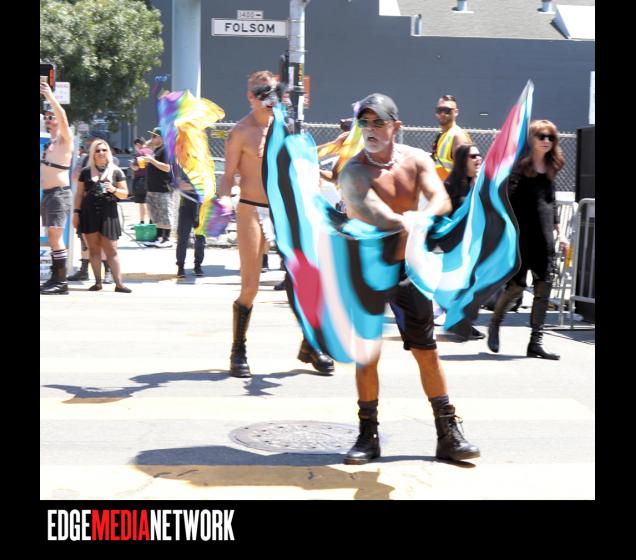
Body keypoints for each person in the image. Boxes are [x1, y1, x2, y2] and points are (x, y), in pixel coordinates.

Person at [339, 93, 480, 464]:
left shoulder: (416, 159)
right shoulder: (353, 171)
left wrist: (424, 216)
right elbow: (376, 215)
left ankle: (448, 433)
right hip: (366, 271)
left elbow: (440, 199)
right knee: (367, 355)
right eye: (365, 122)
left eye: (378, 122)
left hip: (406, 271)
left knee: (426, 351)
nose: (370, 129)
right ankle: (368, 435)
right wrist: (407, 222)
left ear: (396, 126)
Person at [216, 70, 334, 378]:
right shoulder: (241, 132)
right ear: (249, 96)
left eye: (272, 93)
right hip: (252, 208)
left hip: (286, 211)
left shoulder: (289, 129)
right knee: (250, 286)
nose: (267, 99)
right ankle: (238, 349)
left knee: (306, 278)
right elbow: (227, 177)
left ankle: (312, 344)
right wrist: (224, 199)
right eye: (260, 93)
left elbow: (306, 167)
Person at [487, 119, 568, 360]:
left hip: (545, 239)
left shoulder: (551, 167)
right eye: (541, 136)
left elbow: (551, 203)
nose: (546, 141)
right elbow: (506, 201)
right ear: (531, 139)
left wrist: (561, 232)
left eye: (550, 137)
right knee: (517, 287)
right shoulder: (518, 168)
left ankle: (536, 342)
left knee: (544, 288)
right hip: (521, 239)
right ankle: (495, 322)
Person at [72, 140, 132, 293]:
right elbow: (79, 194)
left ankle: (119, 284)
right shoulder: (86, 172)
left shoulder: (116, 171)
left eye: (104, 150)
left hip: (108, 214)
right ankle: (97, 283)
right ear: (93, 153)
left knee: (111, 250)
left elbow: (125, 194)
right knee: (93, 250)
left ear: (108, 152)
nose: (101, 153)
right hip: (89, 213)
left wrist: (113, 189)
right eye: (97, 150)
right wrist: (76, 213)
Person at [441, 143, 487, 341]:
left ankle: (461, 322)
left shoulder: (478, 184)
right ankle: (460, 324)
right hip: (455, 246)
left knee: (471, 285)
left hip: (473, 244)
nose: (478, 159)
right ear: (462, 160)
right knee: (462, 285)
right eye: (473, 156)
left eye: (479, 155)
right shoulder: (450, 185)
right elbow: (442, 215)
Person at [69, 130, 119, 284]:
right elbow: (75, 177)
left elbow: (114, 181)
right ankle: (84, 270)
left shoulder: (112, 160)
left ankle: (108, 272)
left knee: (106, 243)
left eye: (91, 140)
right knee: (85, 241)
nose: (88, 142)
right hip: (87, 206)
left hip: (106, 208)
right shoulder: (85, 159)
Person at [40, 79, 74, 295]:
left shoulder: (65, 140)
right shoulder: (51, 143)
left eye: (51, 116)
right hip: (49, 195)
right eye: (46, 116)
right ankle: (55, 278)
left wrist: (49, 96)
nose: (49, 119)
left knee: (55, 235)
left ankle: (61, 282)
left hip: (59, 194)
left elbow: (62, 116)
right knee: (52, 237)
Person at [143, 127, 174, 247]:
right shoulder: (156, 150)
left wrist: (152, 160)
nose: (152, 138)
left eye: (154, 136)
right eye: (152, 136)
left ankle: (167, 238)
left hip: (162, 188)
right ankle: (158, 237)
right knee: (156, 214)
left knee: (164, 213)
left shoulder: (165, 150)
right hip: (152, 188)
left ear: (161, 137)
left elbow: (167, 168)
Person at [431, 94, 471, 182]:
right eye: (439, 110)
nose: (442, 114)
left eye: (447, 110)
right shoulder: (441, 135)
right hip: (441, 188)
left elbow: (463, 175)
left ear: (456, 112)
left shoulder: (458, 136)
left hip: (452, 190)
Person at [174, 167, 205, 278]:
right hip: (185, 205)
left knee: (200, 239)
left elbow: (208, 185)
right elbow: (179, 185)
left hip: (201, 206)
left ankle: (198, 266)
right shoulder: (182, 166)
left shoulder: (204, 165)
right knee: (183, 238)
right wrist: (196, 186)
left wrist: (191, 186)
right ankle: (181, 267)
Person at [128, 137, 153, 224]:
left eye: (135, 146)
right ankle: (151, 221)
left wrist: (131, 165)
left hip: (140, 180)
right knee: (149, 202)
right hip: (151, 180)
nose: (135, 148)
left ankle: (142, 221)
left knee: (142, 202)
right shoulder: (151, 151)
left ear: (138, 144)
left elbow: (136, 167)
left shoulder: (139, 153)